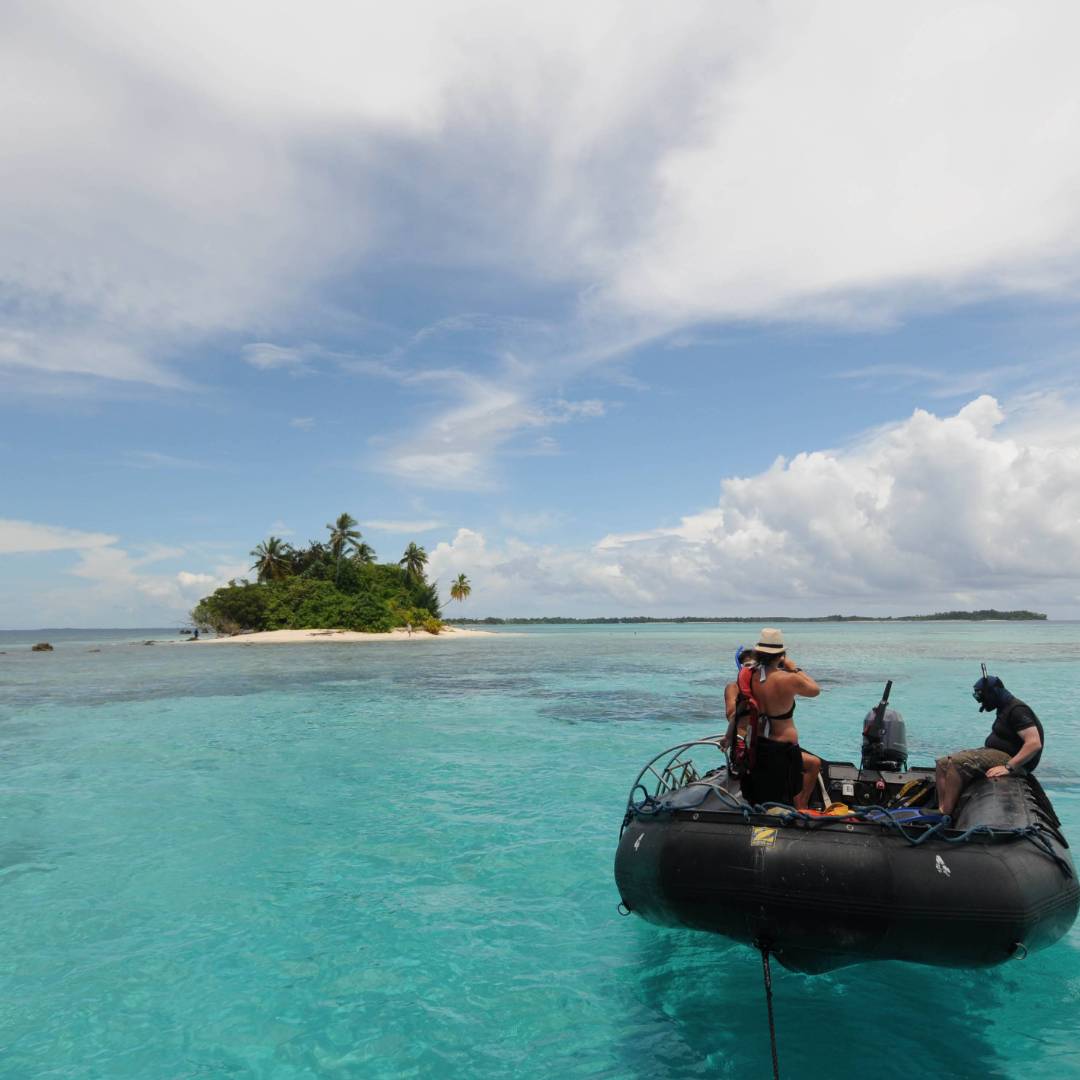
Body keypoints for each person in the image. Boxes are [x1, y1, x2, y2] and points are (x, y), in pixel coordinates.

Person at [935, 672, 1044, 819]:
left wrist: (1009, 767)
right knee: (942, 763)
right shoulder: (1003, 708)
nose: (982, 703)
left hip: (1012, 759)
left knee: (956, 763)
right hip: (997, 752)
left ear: (993, 694)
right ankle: (941, 808)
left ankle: (946, 813)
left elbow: (1034, 743)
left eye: (983, 698)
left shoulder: (1017, 710)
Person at [741, 628, 822, 809]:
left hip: (761, 744)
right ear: (781, 655)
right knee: (814, 764)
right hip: (784, 748)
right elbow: (815, 690)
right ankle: (800, 806)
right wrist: (795, 669)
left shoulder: (752, 677)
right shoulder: (789, 679)